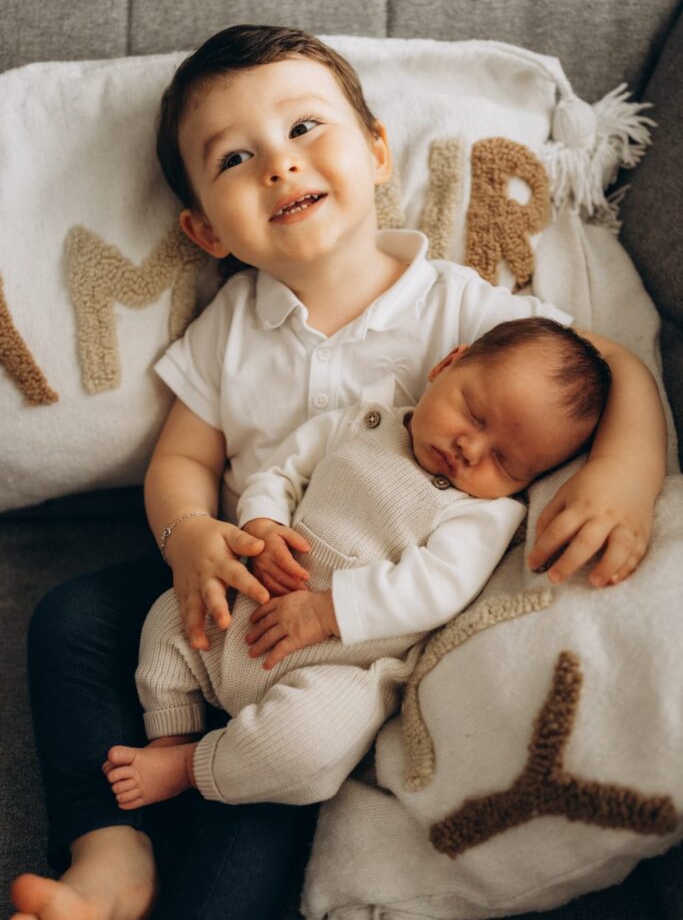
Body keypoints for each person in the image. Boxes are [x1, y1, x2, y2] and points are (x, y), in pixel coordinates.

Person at [1, 25, 666, 920]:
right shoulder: (229, 327)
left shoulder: (459, 306)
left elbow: (611, 364)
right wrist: (192, 537)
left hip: (351, 651)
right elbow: (182, 460)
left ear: (377, 151)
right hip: (239, 584)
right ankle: (108, 852)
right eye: (235, 158)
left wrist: (623, 477)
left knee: (258, 820)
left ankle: (181, 899)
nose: (279, 164)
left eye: (305, 128)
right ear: (204, 230)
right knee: (74, 620)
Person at [102, 317, 612, 813]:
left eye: (505, 462)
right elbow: (281, 472)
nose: (471, 449)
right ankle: (173, 729)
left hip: (339, 666)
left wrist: (327, 611)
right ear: (447, 365)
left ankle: (192, 766)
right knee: (171, 617)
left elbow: (436, 586)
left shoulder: (482, 513)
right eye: (475, 416)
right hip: (248, 607)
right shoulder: (360, 421)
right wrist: (263, 524)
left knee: (310, 744)